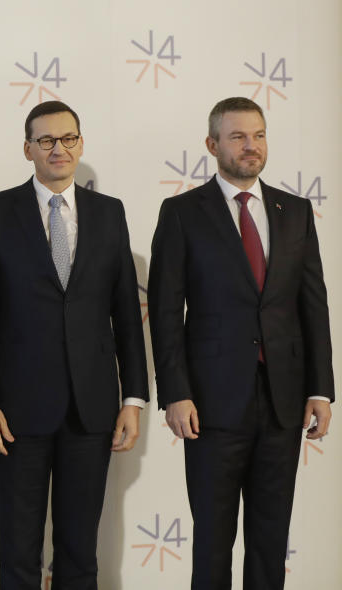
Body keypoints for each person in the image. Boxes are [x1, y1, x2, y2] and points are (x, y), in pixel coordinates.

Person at [149, 96, 333, 589]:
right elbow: (166, 314)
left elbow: (312, 305)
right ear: (212, 144)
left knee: (270, 540)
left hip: (283, 401)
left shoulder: (294, 211)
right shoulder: (182, 213)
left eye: (258, 135)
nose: (250, 146)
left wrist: (320, 389)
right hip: (210, 405)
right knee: (213, 540)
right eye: (237, 136)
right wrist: (175, 392)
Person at [0, 101, 148, 590]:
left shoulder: (110, 214)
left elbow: (127, 314)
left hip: (92, 411)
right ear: (28, 149)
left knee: (80, 552)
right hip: (16, 414)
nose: (58, 148)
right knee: (19, 553)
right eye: (46, 140)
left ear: (81, 144)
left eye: (68, 138)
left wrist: (133, 398)